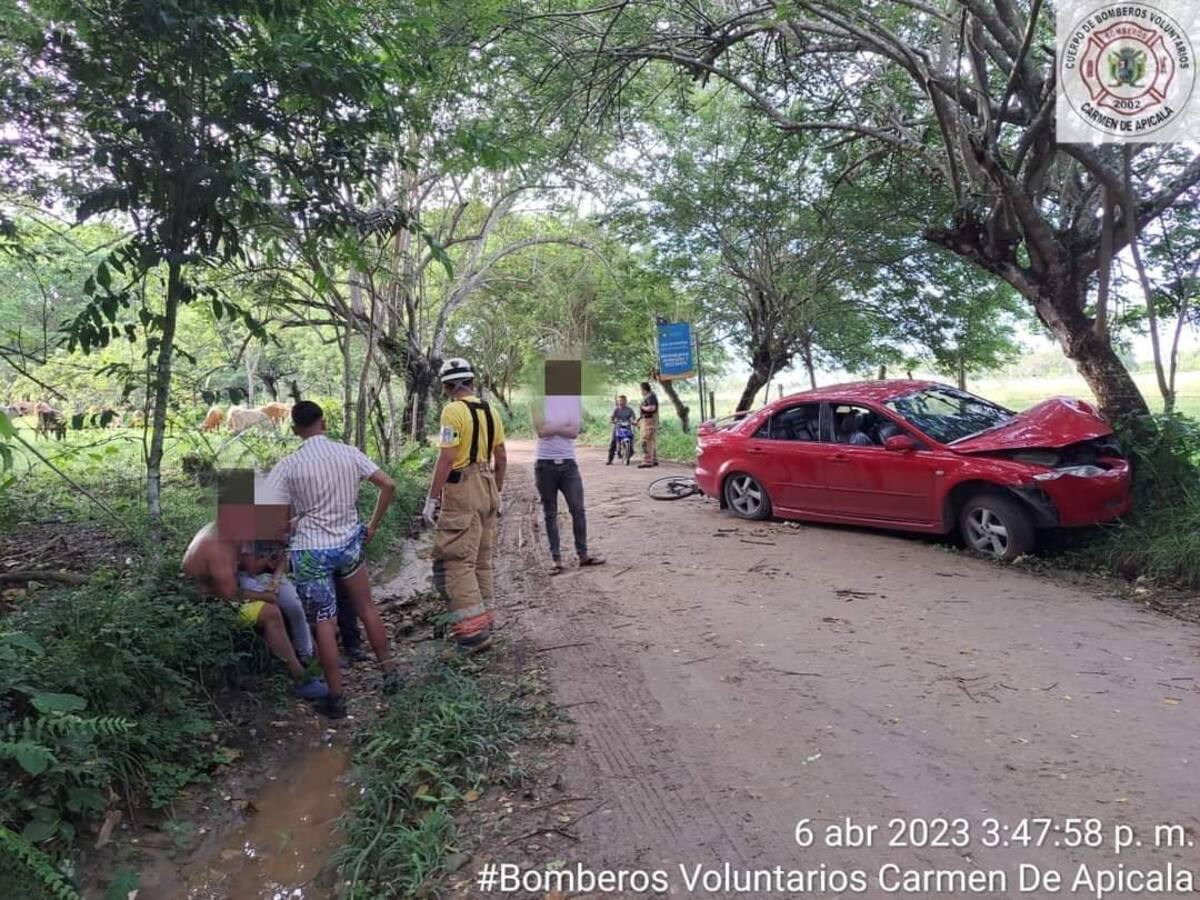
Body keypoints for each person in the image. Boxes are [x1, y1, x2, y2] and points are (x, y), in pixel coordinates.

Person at [267, 400, 401, 719]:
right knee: (367, 608)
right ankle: (390, 674)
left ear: (295, 429)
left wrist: (289, 525)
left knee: (323, 623)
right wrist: (372, 525)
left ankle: (337, 698)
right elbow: (389, 484)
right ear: (323, 423)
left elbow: (268, 512)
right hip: (348, 543)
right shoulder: (348, 453)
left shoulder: (289, 465)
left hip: (311, 551)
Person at [182, 522, 328, 700]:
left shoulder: (226, 534)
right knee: (270, 612)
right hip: (208, 608)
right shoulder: (218, 547)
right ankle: (300, 678)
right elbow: (228, 595)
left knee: (291, 601)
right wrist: (264, 596)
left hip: (219, 596)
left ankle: (312, 657)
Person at [423, 358, 506, 653]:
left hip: (463, 489)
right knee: (481, 561)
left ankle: (473, 635)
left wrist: (432, 498)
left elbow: (447, 458)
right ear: (472, 382)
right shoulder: (491, 411)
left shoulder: (451, 411)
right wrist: (497, 492)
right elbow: (502, 457)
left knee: (456, 563)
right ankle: (486, 623)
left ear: (447, 386)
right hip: (487, 485)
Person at [532, 362, 605, 575]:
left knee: (578, 510)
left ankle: (583, 555)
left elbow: (574, 432)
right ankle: (556, 560)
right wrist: (560, 426)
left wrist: (552, 427)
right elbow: (541, 431)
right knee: (550, 513)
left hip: (568, 463)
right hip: (545, 464)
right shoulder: (538, 402)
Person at [606, 394, 636, 465]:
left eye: (622, 400)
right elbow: (612, 417)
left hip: (627, 427)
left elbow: (633, 418)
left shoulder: (630, 410)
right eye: (619, 400)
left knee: (631, 437)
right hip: (618, 427)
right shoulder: (616, 409)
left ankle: (630, 451)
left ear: (626, 401)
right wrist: (612, 420)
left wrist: (633, 421)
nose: (621, 402)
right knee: (613, 442)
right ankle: (610, 460)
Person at [637, 381, 660, 468]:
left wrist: (642, 407)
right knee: (651, 441)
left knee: (645, 440)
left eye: (641, 389)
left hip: (649, 421)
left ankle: (647, 461)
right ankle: (653, 459)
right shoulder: (651, 396)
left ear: (643, 389)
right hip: (648, 420)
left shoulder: (650, 396)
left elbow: (652, 408)